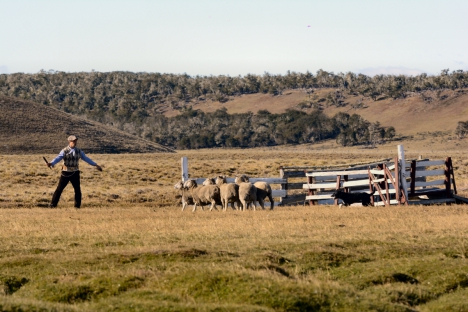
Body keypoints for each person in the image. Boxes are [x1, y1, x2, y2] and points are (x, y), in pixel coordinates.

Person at [46, 135, 102, 208]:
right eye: (73, 141)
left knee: (77, 190)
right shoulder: (64, 151)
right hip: (65, 172)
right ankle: (53, 205)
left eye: (75, 141)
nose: (75, 142)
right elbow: (58, 158)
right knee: (59, 189)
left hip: (75, 172)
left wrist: (95, 164)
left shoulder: (79, 151)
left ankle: (77, 206)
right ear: (69, 141)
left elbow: (86, 158)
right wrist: (51, 163)